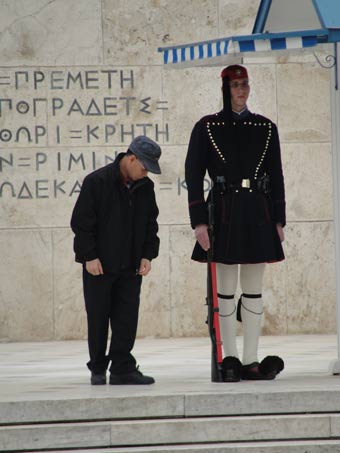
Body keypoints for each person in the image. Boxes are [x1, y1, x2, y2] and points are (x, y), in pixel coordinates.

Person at [185, 65, 285, 382]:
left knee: (253, 291)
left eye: (245, 84)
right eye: (235, 85)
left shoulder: (265, 128)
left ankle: (251, 359)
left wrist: (279, 219)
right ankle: (229, 357)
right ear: (226, 89)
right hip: (224, 212)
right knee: (225, 292)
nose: (241, 90)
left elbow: (277, 175)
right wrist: (199, 223)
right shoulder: (207, 127)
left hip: (257, 212)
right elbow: (192, 176)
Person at [71, 135, 161, 385]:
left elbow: (150, 224)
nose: (146, 174)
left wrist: (147, 254)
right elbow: (81, 223)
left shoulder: (146, 187)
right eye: (144, 168)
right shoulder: (97, 182)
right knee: (98, 318)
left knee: (126, 318)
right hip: (99, 265)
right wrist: (89, 256)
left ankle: (122, 369)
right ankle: (98, 368)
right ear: (131, 159)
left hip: (131, 265)